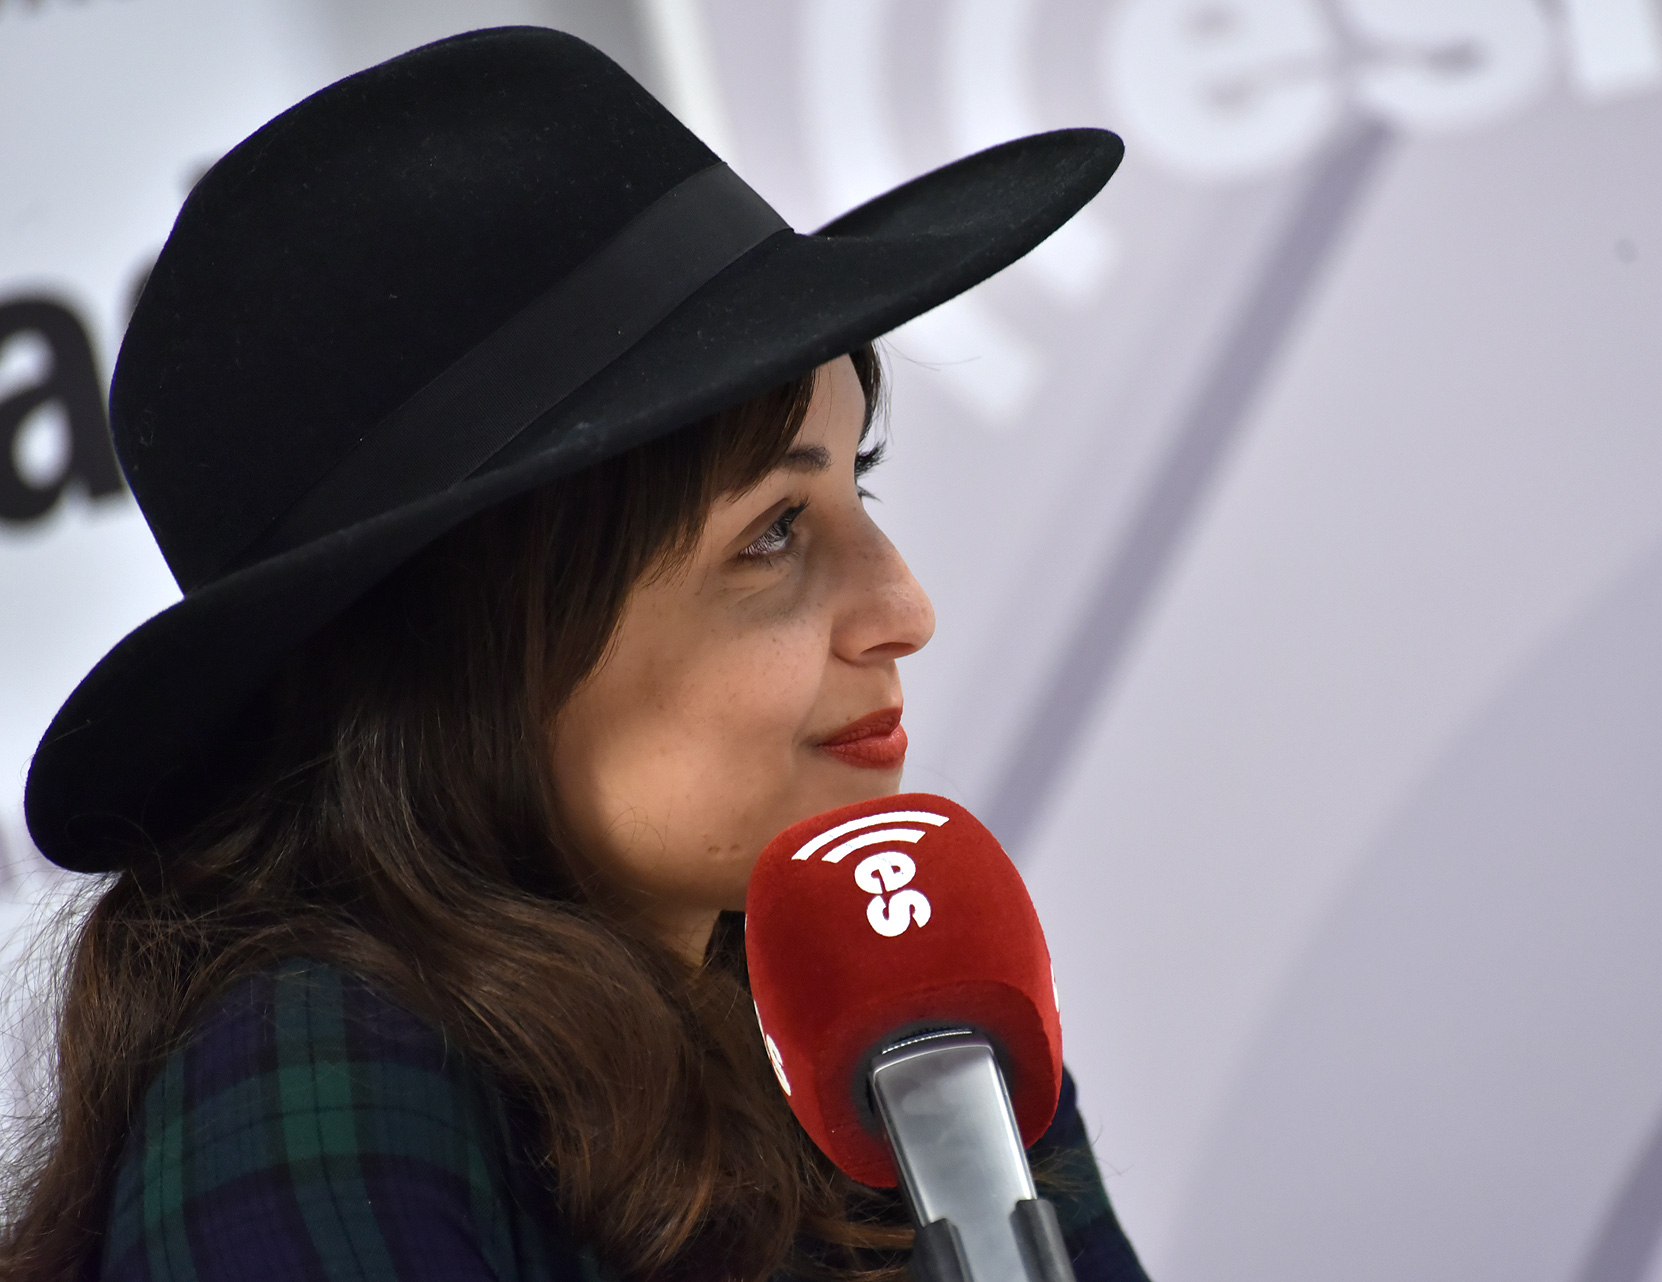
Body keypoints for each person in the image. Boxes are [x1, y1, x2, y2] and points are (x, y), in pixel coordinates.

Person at [0, 26, 1144, 1282]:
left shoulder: (903, 996)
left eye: (854, 487)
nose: (904, 607)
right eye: (770, 532)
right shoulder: (311, 1070)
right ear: (478, 654)